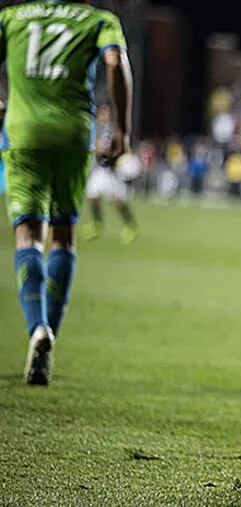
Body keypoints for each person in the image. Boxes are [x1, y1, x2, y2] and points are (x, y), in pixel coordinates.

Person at [0, 0, 132, 385]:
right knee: (63, 234)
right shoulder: (98, 20)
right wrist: (122, 129)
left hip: (23, 132)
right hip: (74, 134)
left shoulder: (11, 18)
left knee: (28, 233)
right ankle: (49, 342)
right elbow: (115, 62)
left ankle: (37, 328)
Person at [82, 105, 139, 244]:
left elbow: (121, 148)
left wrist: (115, 155)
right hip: (99, 170)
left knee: (117, 202)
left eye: (105, 113)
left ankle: (130, 224)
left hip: (111, 171)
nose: (103, 116)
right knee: (92, 196)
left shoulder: (114, 130)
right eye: (101, 113)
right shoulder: (96, 129)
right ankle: (97, 223)